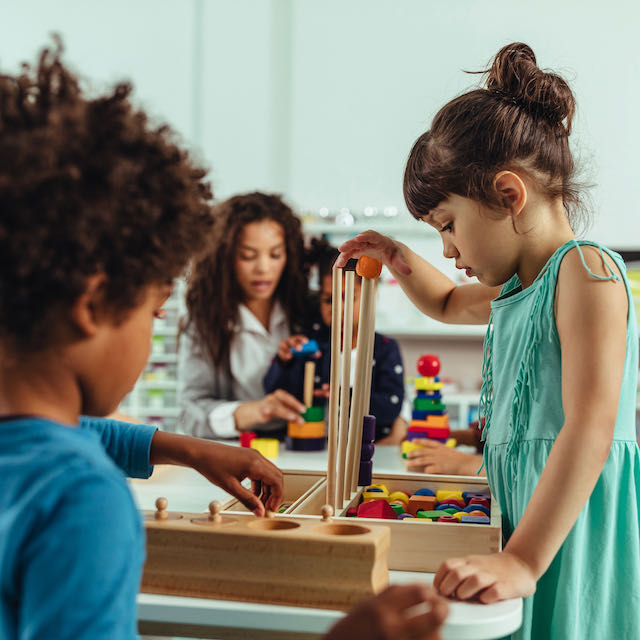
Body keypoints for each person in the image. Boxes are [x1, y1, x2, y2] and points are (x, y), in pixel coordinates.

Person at [336, 42, 640, 639]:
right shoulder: (518, 288)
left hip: (567, 528)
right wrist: (397, 257)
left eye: (448, 226)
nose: (448, 250)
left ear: (508, 195)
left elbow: (590, 427)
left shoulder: (586, 273)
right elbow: (445, 302)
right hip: (525, 518)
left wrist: (524, 558)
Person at [0, 41, 287, 640]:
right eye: (154, 312)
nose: (155, 332)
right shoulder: (80, 499)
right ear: (94, 306)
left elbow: (54, 434)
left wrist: (187, 449)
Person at [178, 192, 311, 439]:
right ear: (224, 257)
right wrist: (256, 411)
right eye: (248, 256)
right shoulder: (204, 322)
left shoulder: (308, 311)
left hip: (307, 449)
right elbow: (190, 414)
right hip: (237, 454)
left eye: (275, 255)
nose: (263, 268)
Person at [264, 238, 407, 444]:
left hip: (370, 449)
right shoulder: (309, 343)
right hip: (315, 447)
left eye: (348, 297)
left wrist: (346, 397)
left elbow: (391, 407)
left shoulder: (385, 349)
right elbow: (274, 392)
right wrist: (284, 362)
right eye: (328, 299)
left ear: (370, 295)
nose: (337, 307)